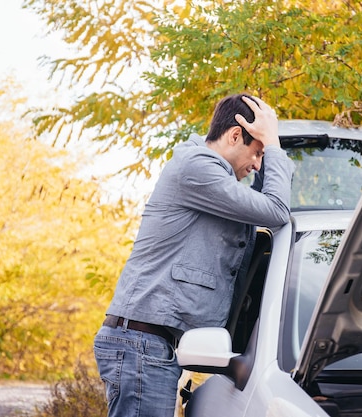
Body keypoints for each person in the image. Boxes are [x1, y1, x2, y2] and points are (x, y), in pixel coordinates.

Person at [93, 94, 295, 417]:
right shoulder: (197, 168)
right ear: (234, 136)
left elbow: (261, 210)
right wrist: (273, 143)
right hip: (140, 346)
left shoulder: (215, 181)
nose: (259, 163)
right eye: (257, 153)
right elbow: (275, 210)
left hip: (147, 346)